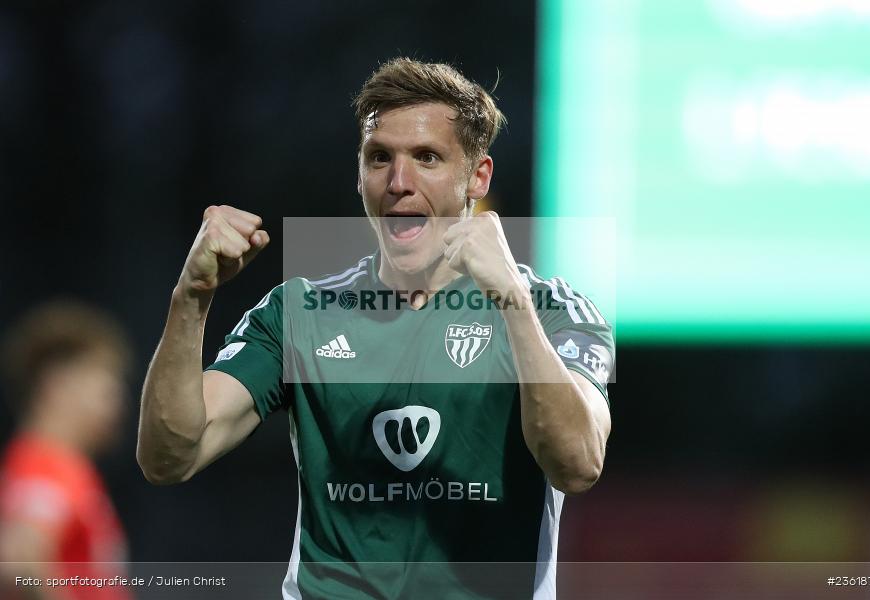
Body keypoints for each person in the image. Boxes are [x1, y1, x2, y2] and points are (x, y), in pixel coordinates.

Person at [137, 57, 614, 599]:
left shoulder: (553, 312)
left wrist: (510, 299)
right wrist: (191, 299)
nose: (398, 182)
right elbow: (169, 457)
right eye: (379, 157)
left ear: (477, 177)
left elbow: (577, 464)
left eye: (427, 158)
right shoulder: (299, 313)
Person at [0, 301, 133, 600]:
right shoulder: (46, 465)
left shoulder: (64, 467)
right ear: (58, 384)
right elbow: (18, 561)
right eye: (106, 383)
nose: (118, 402)